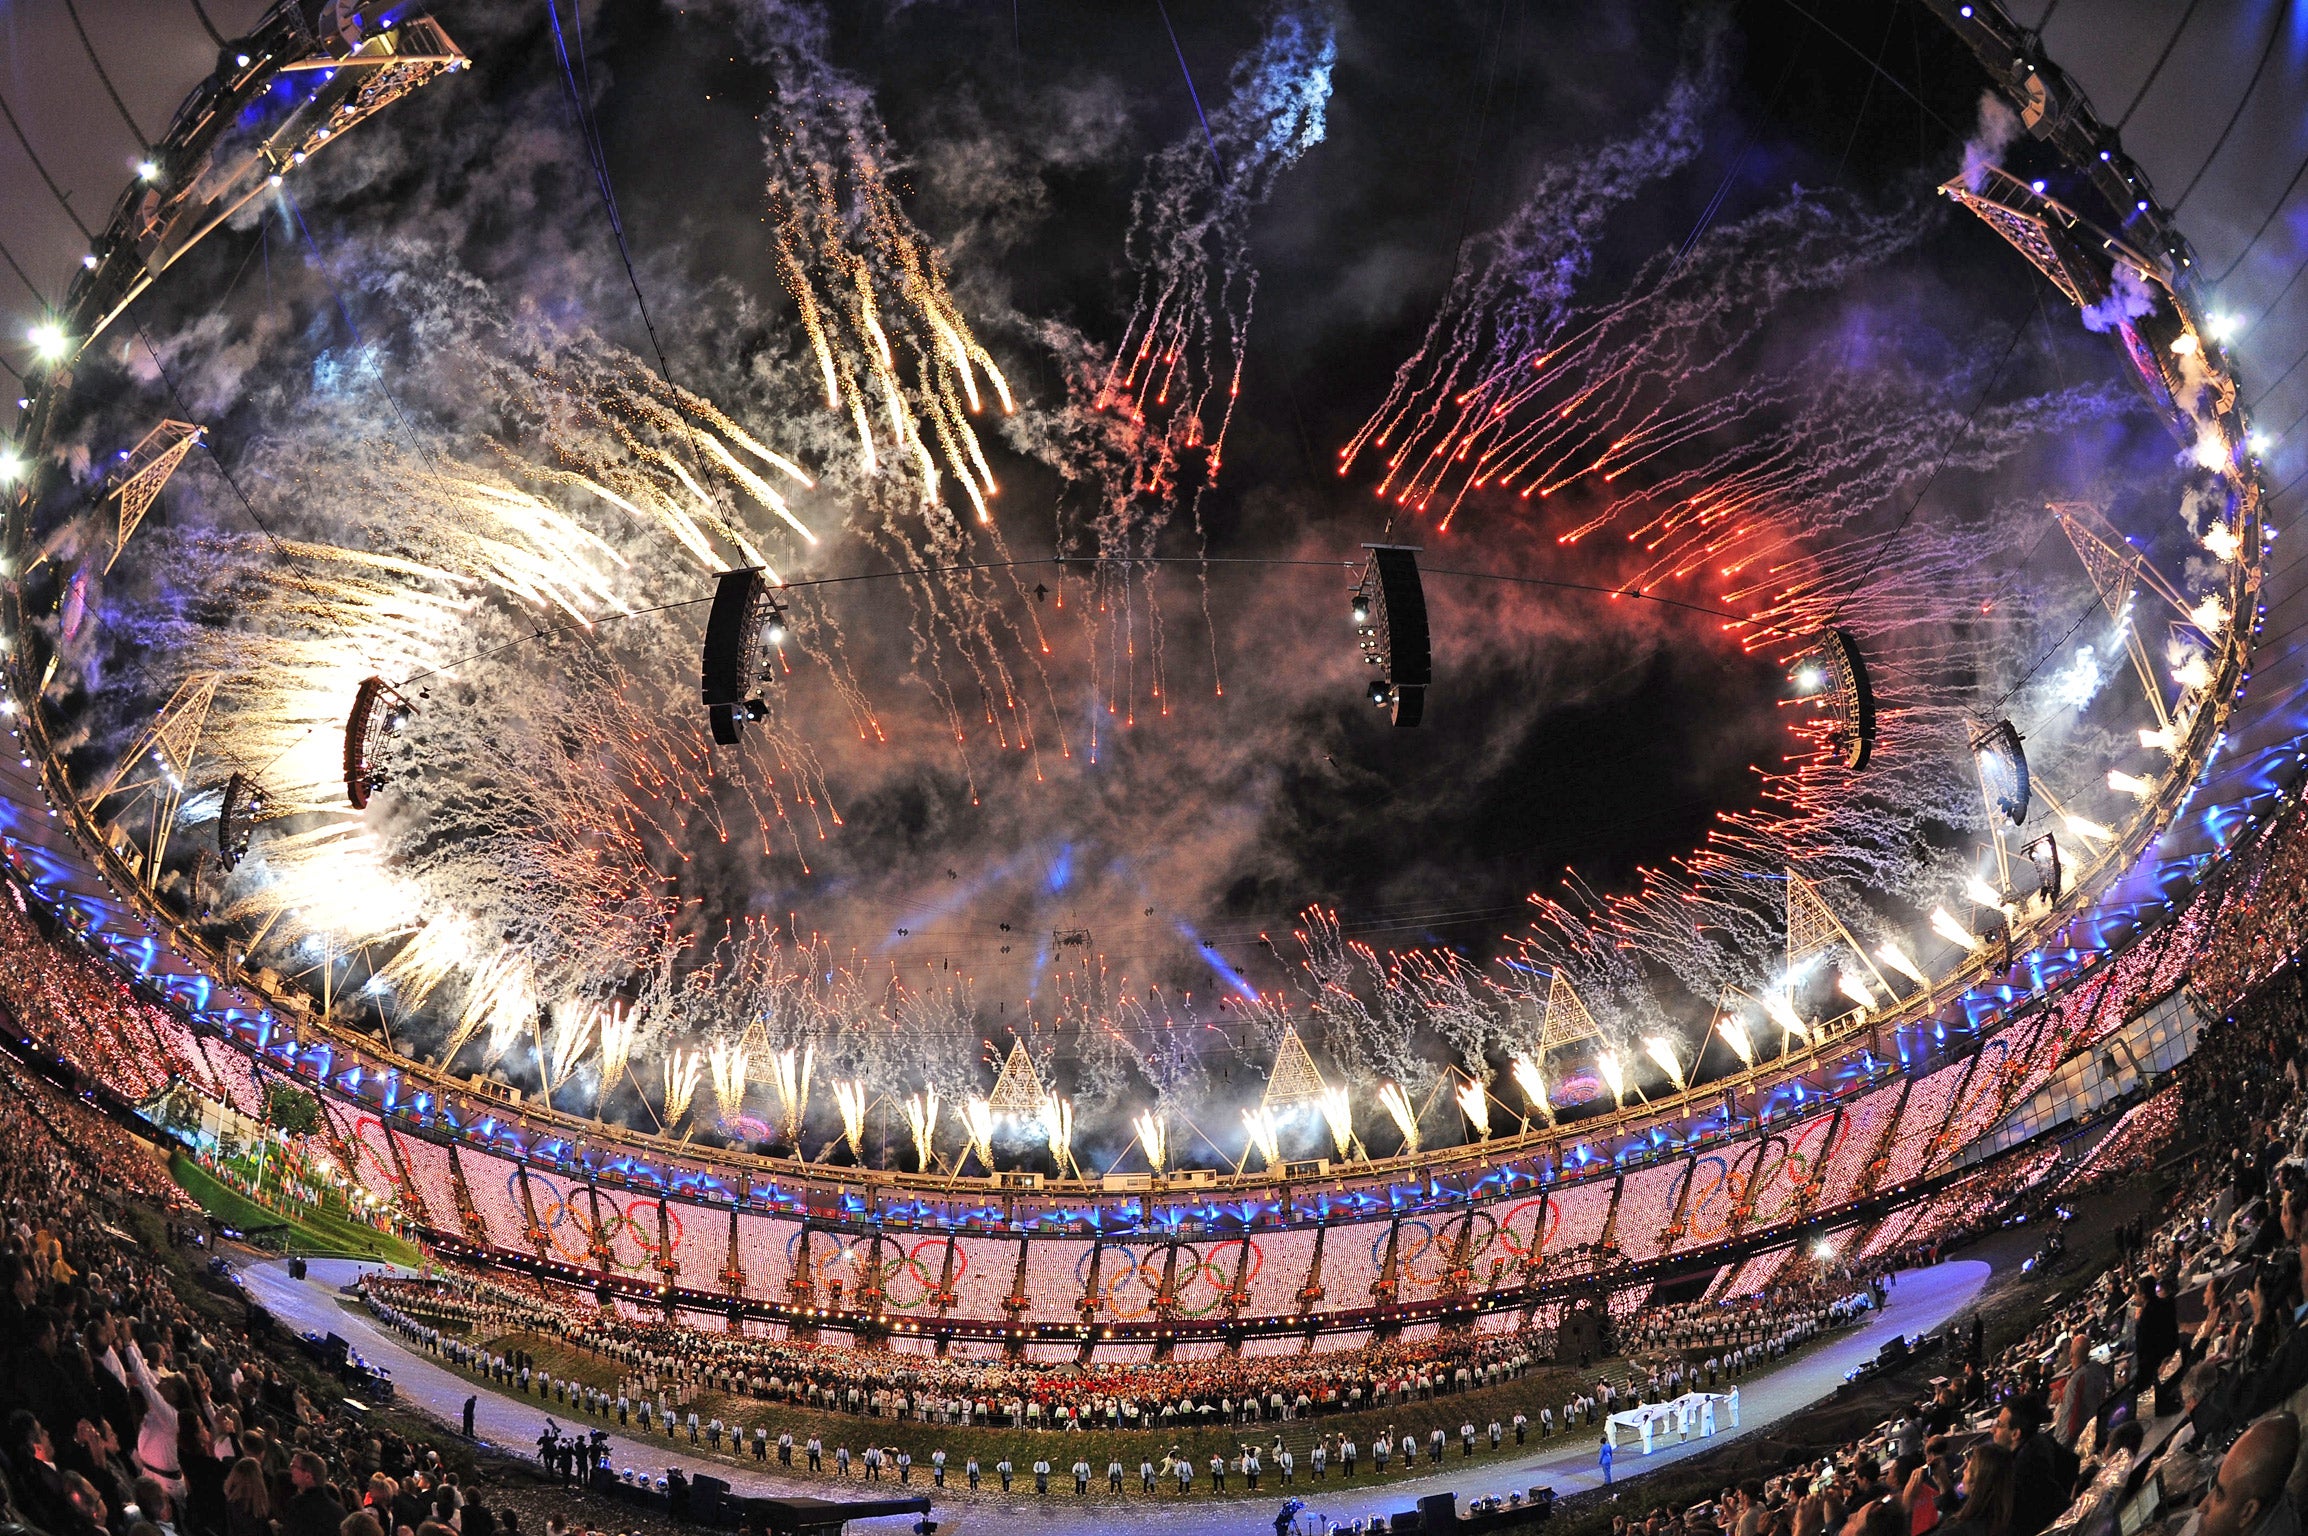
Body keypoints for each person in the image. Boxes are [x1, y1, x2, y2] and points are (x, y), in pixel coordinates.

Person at [1934, 1443, 2017, 1536]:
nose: (1964, 1471)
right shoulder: (2006, 1516)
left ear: (1975, 1483)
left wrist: (1913, 1498)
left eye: (1968, 1469)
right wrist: (1943, 1482)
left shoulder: (1956, 1531)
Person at [278, 1452, 344, 1536]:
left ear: (308, 1476)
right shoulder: (339, 1510)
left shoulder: (298, 1506)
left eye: (293, 1466)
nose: (290, 1469)